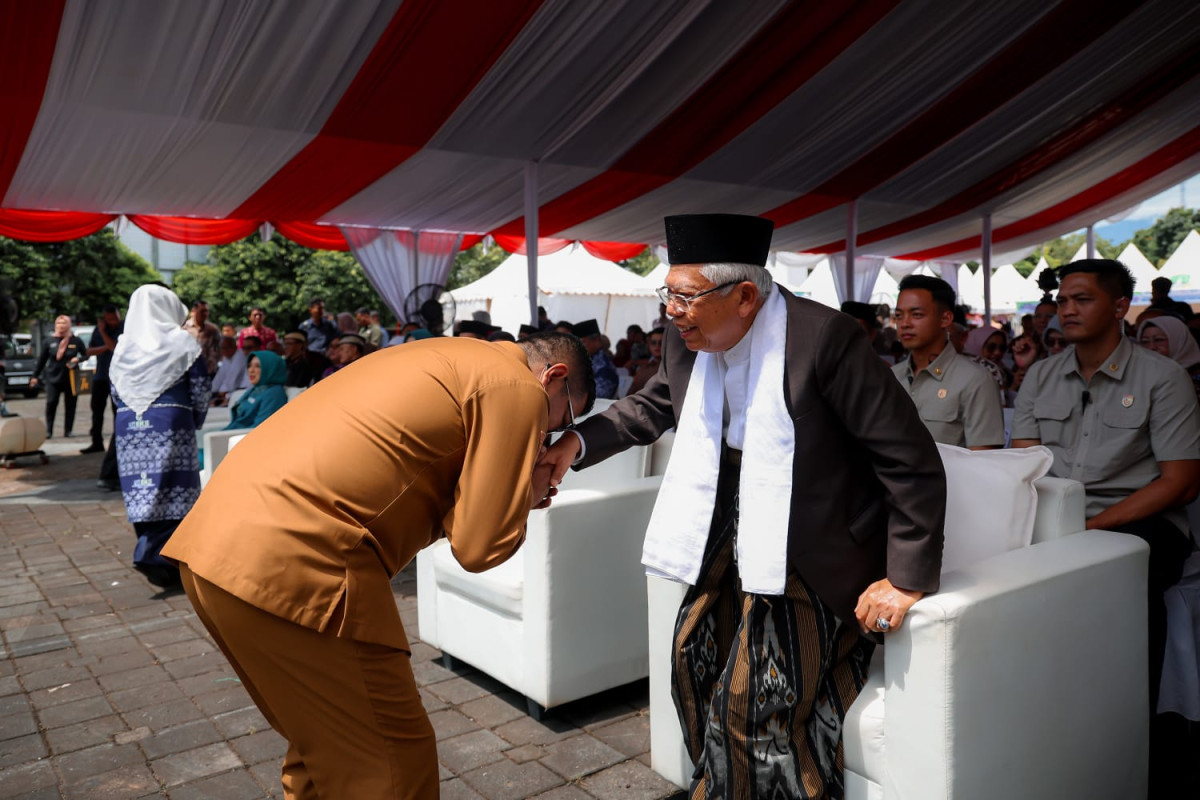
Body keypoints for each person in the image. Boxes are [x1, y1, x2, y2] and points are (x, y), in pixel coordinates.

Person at [541, 214, 945, 800]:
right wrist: (572, 444)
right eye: (667, 295)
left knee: (752, 703)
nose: (672, 312)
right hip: (726, 523)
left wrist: (906, 579)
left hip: (814, 543)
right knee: (691, 663)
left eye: (685, 297)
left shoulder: (824, 339)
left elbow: (908, 456)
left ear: (746, 297)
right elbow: (652, 405)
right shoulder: (687, 341)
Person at [161, 332, 594, 799]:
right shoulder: (516, 387)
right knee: (393, 763)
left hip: (213, 545)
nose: (550, 436)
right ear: (554, 377)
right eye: (563, 420)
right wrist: (526, 495)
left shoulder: (448, 354)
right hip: (299, 556)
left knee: (324, 749)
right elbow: (478, 547)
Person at [1010, 259, 1200, 796]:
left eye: (1083, 299)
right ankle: (1035, 729)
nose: (1067, 309)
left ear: (1120, 307)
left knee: (1116, 590)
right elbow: (1023, 465)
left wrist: (1090, 525)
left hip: (1138, 523)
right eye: (1062, 300)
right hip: (1057, 521)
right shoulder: (1041, 375)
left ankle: (1133, 744)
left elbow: (1181, 483)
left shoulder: (1162, 377)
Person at [110, 284, 210, 590]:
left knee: (143, 489)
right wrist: (195, 418)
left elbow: (115, 391)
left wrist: (135, 413)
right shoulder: (183, 342)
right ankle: (153, 554)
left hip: (129, 425)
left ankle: (154, 553)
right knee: (172, 488)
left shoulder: (123, 347)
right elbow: (200, 387)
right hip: (170, 421)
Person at [892, 275, 1004, 449]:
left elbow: (983, 458)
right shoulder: (890, 377)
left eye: (917, 315)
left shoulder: (975, 380)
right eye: (899, 316)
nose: (905, 323)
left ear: (945, 319)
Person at [31, 315, 87, 438]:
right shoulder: (49, 341)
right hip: (53, 377)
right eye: (58, 323)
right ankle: (49, 431)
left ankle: (68, 431)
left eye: (64, 323)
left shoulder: (76, 340)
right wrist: (35, 376)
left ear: (69, 325)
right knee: (51, 403)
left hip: (71, 378)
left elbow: (86, 354)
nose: (61, 326)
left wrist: (77, 359)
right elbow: (42, 360)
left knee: (70, 405)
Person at [81, 305, 124, 454]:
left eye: (114, 319)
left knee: (117, 411)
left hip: (118, 377)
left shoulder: (124, 328)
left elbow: (115, 348)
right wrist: (103, 337)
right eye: (109, 319)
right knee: (96, 410)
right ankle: (96, 442)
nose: (113, 322)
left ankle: (118, 443)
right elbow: (89, 351)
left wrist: (104, 336)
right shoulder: (98, 330)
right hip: (101, 375)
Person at [1139, 315, 1200, 402]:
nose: (1151, 347)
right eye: (1145, 342)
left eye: (1159, 340)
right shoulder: (1139, 375)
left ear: (1178, 341)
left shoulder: (1195, 379)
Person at [226, 351, 289, 431]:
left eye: (257, 366)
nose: (251, 370)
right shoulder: (257, 389)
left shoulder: (274, 394)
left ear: (270, 369)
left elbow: (260, 429)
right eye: (249, 366)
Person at [573, 319, 618, 399]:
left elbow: (596, 398)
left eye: (582, 343)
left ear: (597, 340)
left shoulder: (605, 369)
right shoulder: (584, 361)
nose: (577, 348)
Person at [184, 300, 221, 376]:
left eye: (207, 311)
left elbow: (219, 349)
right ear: (194, 311)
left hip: (209, 372)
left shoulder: (213, 330)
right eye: (202, 311)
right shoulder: (185, 329)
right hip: (188, 371)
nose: (205, 314)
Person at [211, 336, 249, 406]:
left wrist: (221, 393)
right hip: (227, 393)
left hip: (237, 393)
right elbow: (219, 378)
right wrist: (211, 390)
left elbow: (233, 380)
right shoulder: (226, 358)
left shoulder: (240, 356)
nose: (225, 350)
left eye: (227, 347)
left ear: (235, 347)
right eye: (222, 348)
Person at [628, 327, 663, 395]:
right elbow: (631, 394)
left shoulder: (674, 369)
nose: (657, 345)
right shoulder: (643, 369)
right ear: (649, 345)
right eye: (653, 342)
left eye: (661, 342)